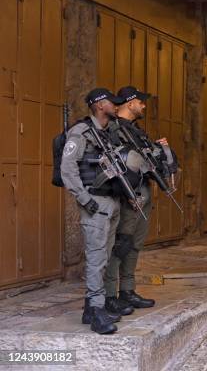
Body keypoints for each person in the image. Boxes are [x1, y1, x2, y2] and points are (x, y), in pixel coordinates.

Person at [60, 88, 126, 334]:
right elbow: (68, 169)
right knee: (96, 258)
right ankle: (97, 310)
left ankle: (90, 308)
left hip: (112, 201)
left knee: (105, 256)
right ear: (99, 105)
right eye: (112, 103)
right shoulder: (80, 133)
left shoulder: (107, 134)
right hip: (95, 203)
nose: (116, 106)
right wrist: (85, 199)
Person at [103, 86, 171, 316]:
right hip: (127, 196)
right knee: (120, 245)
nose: (143, 106)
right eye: (141, 102)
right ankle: (110, 295)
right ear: (130, 102)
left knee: (135, 245)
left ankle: (127, 291)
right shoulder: (112, 129)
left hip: (142, 194)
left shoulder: (136, 131)